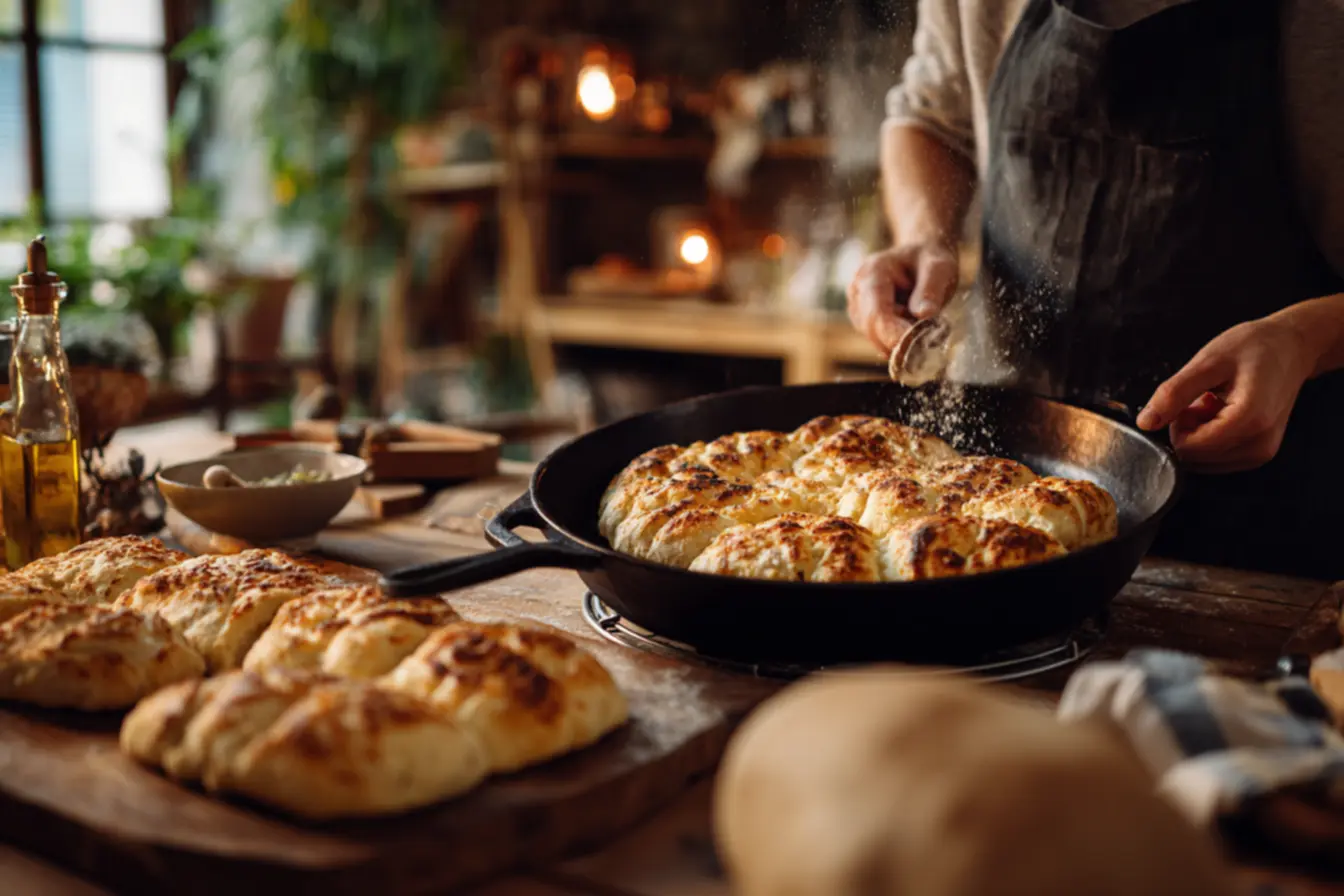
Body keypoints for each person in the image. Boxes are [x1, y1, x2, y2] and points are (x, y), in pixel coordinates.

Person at [849, 0, 1344, 578]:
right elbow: (932, 114)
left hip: (1259, 517)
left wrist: (1306, 336)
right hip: (986, 491)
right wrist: (923, 235)